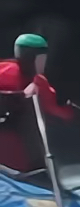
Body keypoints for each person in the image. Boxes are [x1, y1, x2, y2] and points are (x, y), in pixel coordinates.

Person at [0, 33, 75, 173]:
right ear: (35, 59)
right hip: (24, 156)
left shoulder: (3, 68)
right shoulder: (39, 84)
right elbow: (62, 112)